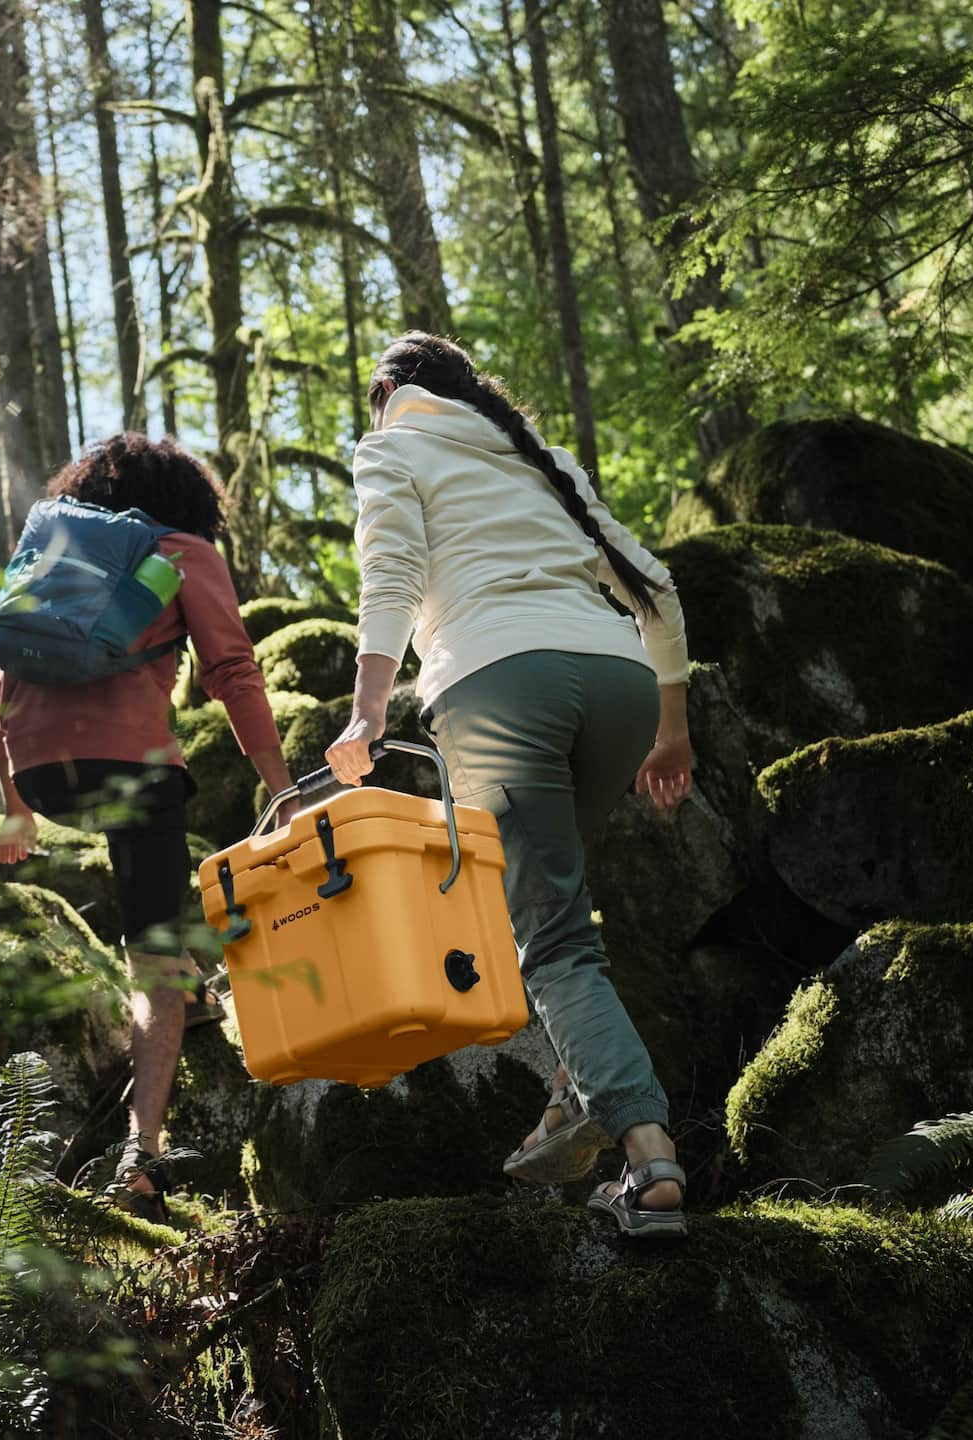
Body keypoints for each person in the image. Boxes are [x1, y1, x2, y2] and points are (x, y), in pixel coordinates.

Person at [323, 333, 697, 1239]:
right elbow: (654, 584)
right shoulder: (539, 458)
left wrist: (368, 710)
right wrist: (672, 728)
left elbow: (391, 577)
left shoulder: (391, 447)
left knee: (556, 941)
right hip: (618, 688)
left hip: (498, 685)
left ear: (386, 396)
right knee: (546, 894)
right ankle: (574, 1088)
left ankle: (650, 1164)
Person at [0, 432, 297, 1222]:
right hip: (130, 768)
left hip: (39, 773)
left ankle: (193, 988)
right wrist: (283, 791)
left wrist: (18, 809)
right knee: (149, 957)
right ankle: (141, 1159)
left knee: (156, 905)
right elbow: (232, 672)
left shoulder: (58, 552)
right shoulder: (181, 549)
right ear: (189, 499)